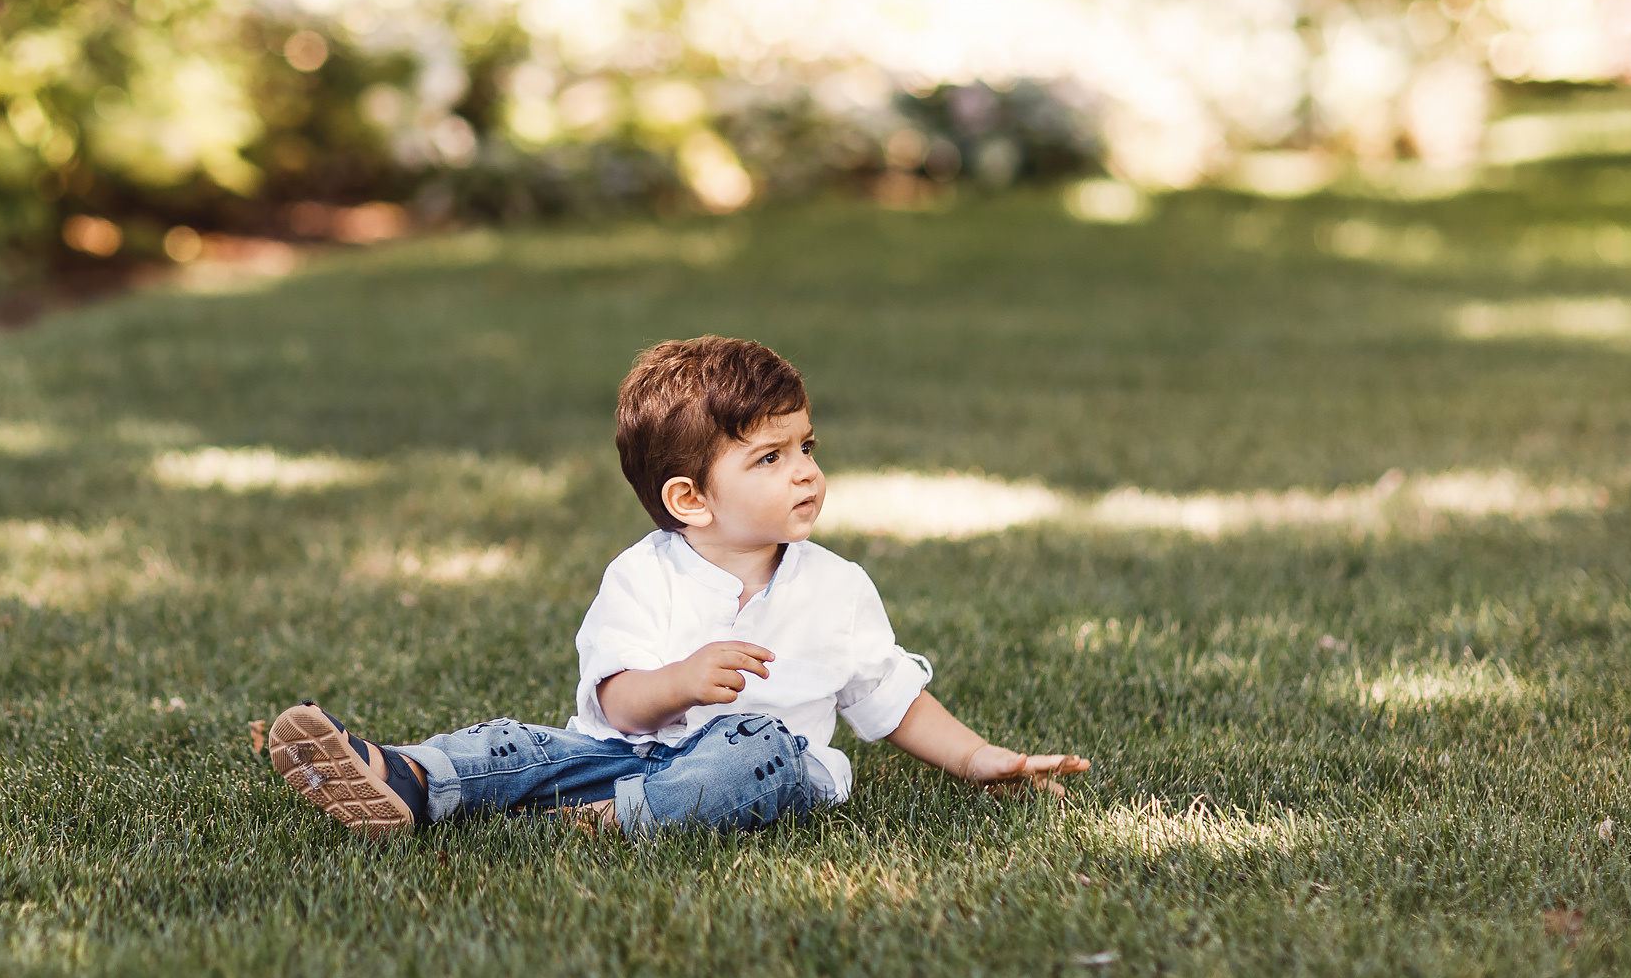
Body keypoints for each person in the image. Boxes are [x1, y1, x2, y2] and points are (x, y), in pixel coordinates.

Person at [265, 335, 1090, 835]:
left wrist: (980, 758)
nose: (805, 473)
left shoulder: (836, 587)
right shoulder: (640, 575)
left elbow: (891, 697)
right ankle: (403, 776)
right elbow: (619, 706)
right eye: (770, 458)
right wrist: (681, 683)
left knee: (755, 739)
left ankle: (615, 822)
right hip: (624, 751)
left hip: (771, 769)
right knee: (519, 742)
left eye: (805, 446)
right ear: (689, 499)